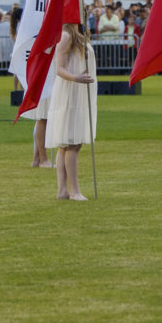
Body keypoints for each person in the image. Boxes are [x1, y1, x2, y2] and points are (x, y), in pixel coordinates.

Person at [46, 24, 96, 201]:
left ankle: (63, 190)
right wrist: (76, 78)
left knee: (68, 144)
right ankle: (74, 190)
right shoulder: (66, 35)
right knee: (72, 143)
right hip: (70, 94)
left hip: (79, 94)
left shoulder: (80, 34)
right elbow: (59, 68)